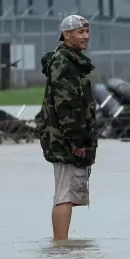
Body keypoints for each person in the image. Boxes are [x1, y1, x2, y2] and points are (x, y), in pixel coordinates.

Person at [36, 14, 98, 242]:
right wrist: (76, 141)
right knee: (64, 194)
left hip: (67, 137)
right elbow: (67, 106)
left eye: (87, 31)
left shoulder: (73, 62)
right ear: (66, 35)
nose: (86, 37)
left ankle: (63, 245)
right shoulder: (64, 64)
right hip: (65, 139)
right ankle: (61, 247)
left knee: (69, 194)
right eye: (80, 32)